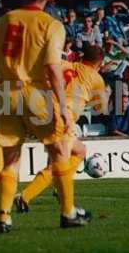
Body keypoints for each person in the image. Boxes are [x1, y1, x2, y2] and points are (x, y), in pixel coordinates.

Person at [0, 0, 92, 233]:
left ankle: (3, 218)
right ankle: (68, 213)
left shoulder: (4, 21)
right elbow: (52, 69)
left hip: (6, 95)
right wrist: (63, 107)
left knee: (10, 160)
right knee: (60, 152)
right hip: (36, 94)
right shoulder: (51, 24)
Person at [14, 45, 108, 214]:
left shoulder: (66, 64)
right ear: (99, 63)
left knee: (73, 152)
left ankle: (56, 187)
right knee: (66, 159)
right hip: (63, 119)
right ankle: (26, 196)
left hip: (44, 112)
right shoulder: (97, 78)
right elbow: (101, 108)